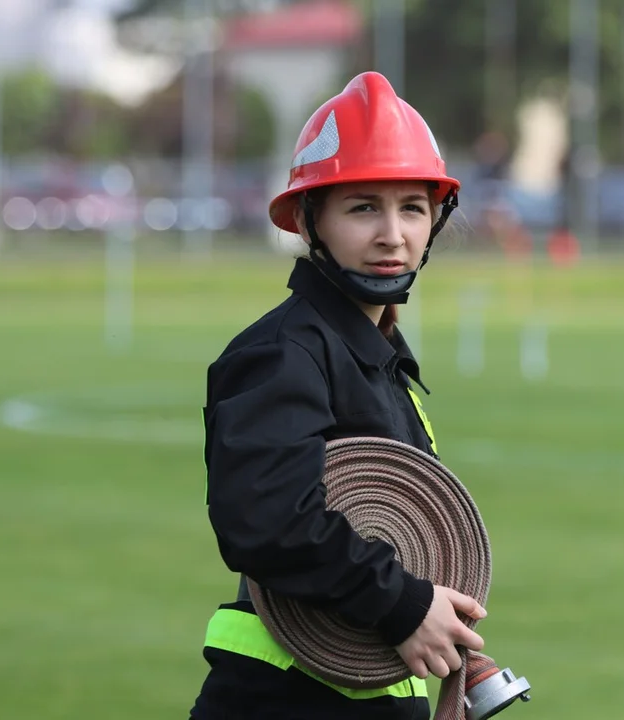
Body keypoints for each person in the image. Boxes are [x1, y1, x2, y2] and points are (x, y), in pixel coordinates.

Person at [189, 71, 487, 720]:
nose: (392, 234)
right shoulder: (281, 352)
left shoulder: (377, 360)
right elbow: (269, 518)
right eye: (362, 207)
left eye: (412, 206)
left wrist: (449, 659)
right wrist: (405, 605)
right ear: (307, 219)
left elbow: (398, 536)